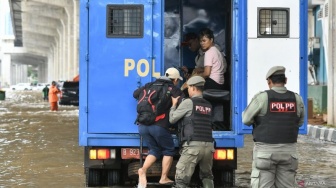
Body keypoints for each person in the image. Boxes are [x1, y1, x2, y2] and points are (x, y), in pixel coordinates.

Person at [242, 66, 305, 188]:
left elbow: (245, 120)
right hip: (289, 153)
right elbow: (300, 122)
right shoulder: (297, 99)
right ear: (285, 80)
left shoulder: (262, 98)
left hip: (265, 152)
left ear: (269, 82)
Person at [133, 67, 185, 188]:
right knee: (168, 150)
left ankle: (143, 169)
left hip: (142, 125)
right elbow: (184, 103)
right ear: (176, 79)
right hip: (159, 126)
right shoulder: (173, 89)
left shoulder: (149, 85)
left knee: (155, 150)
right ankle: (163, 178)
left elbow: (135, 94)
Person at [169, 76, 214, 188]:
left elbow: (172, 119)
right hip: (208, 146)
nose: (188, 90)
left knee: (181, 179)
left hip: (193, 146)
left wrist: (173, 105)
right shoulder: (208, 104)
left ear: (193, 88)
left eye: (188, 88)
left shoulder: (189, 102)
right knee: (207, 176)